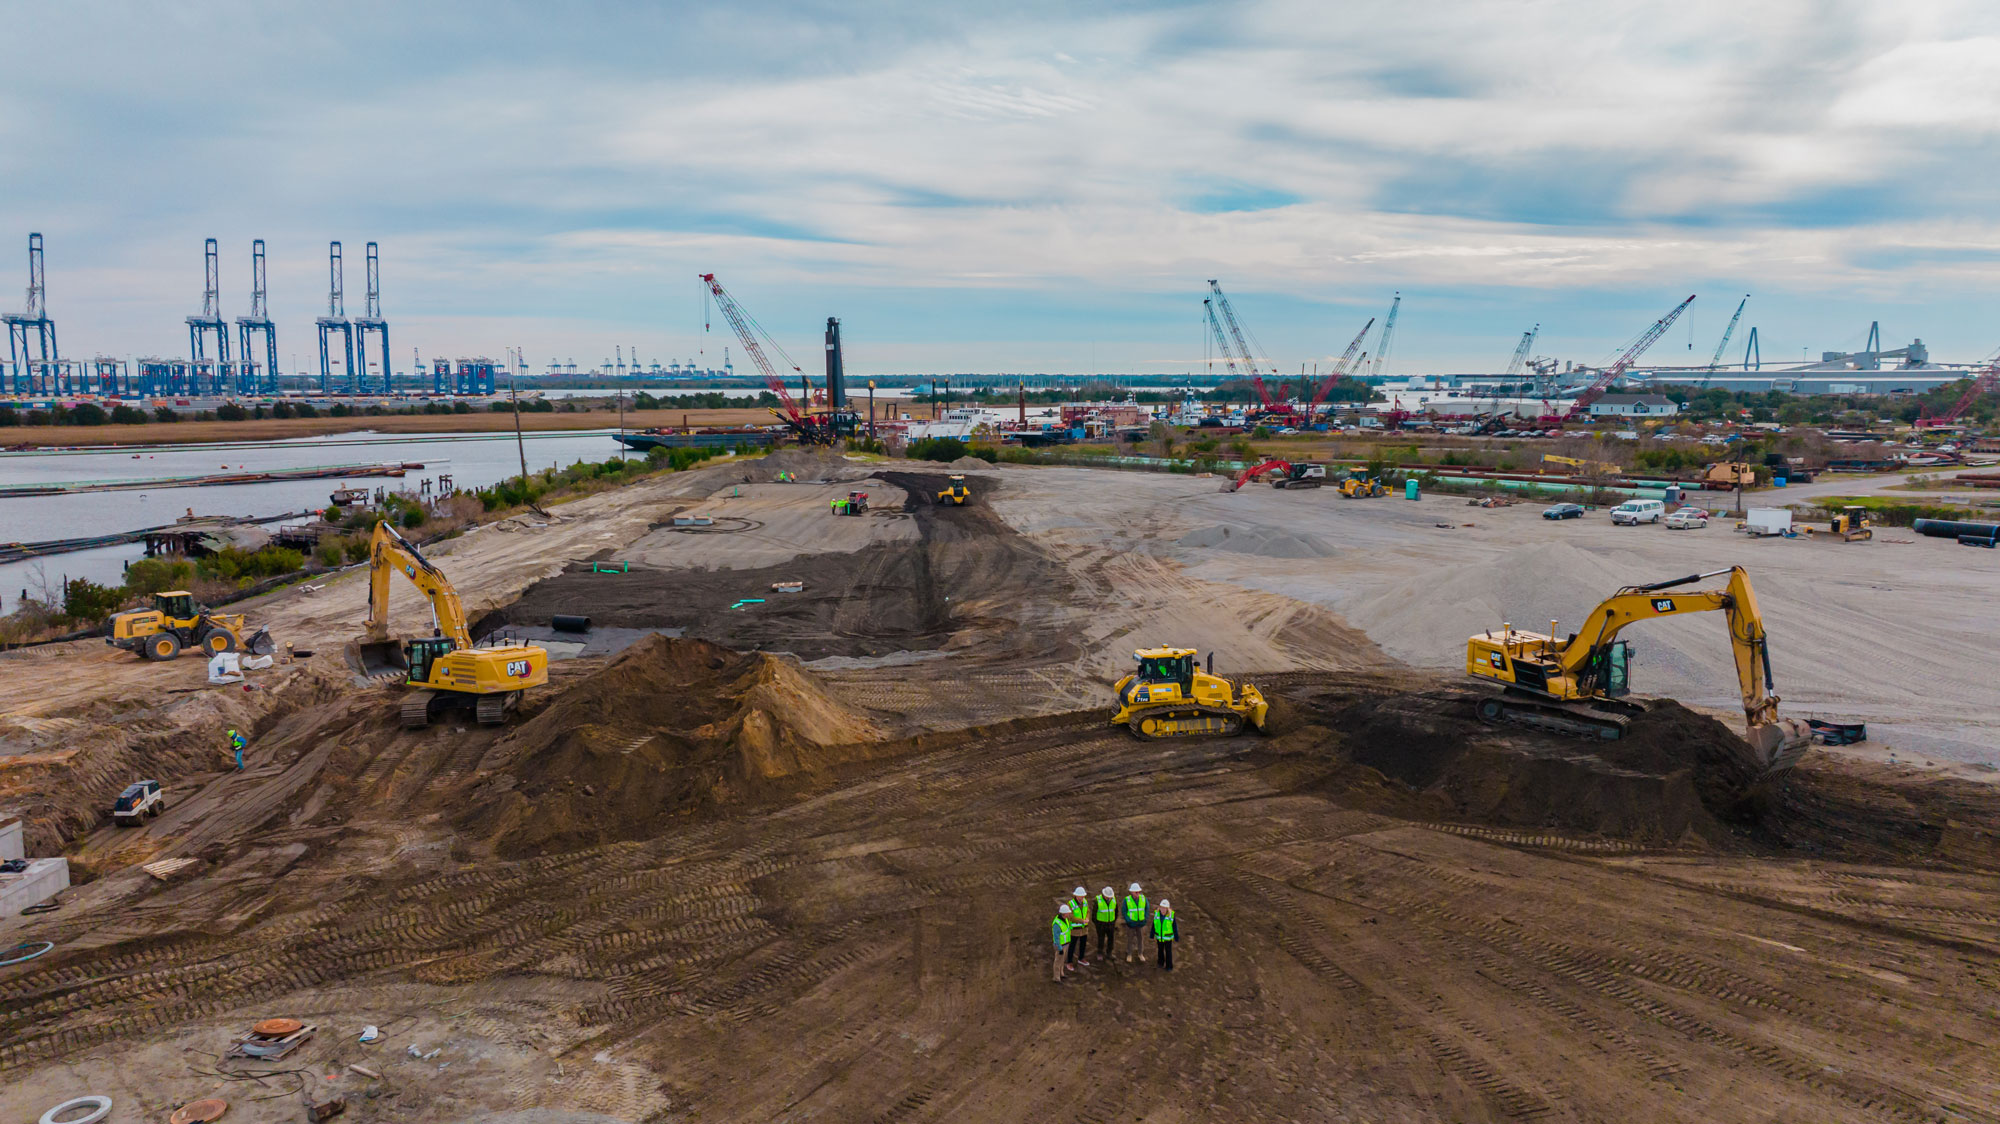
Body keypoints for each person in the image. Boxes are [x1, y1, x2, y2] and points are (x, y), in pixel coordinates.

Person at [1122, 882, 1148, 962]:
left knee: (1140, 939)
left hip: (1140, 924)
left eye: (1139, 892)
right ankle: (1129, 954)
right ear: (1132, 892)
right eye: (1136, 892)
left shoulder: (1144, 899)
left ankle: (1140, 953)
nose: (1138, 893)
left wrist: (1145, 919)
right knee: (1130, 939)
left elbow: (1146, 909)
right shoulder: (1127, 900)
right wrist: (1128, 921)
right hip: (1131, 924)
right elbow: (1124, 911)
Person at [1092, 886, 1117, 964]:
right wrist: (1097, 924)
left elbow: (1116, 911)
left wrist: (1113, 921)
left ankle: (1109, 953)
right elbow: (1094, 914)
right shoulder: (1097, 901)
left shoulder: (1113, 900)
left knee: (1111, 939)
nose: (1109, 898)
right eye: (1107, 896)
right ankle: (1100, 953)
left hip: (1110, 923)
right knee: (1101, 939)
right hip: (1101, 924)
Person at [1153, 899, 1177, 971]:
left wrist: (1176, 936)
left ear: (1167, 908)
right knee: (1160, 950)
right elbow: (1154, 925)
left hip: (1168, 938)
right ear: (1159, 907)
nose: (1163, 910)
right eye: (1162, 908)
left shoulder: (1171, 916)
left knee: (1168, 952)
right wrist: (1152, 934)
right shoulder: (1156, 914)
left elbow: (1174, 926)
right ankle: (1160, 962)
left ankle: (1169, 966)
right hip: (1159, 937)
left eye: (1164, 908)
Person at [1069, 886, 1091, 965]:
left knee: (1083, 944)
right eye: (1080, 896)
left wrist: (1087, 918)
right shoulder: (1071, 904)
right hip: (1075, 929)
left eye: (1083, 896)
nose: (1081, 898)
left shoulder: (1085, 902)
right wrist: (1081, 921)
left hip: (1084, 928)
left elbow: (1088, 911)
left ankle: (1081, 958)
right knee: (1072, 946)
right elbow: (1070, 916)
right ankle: (1069, 962)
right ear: (1076, 895)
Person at [1052, 902, 1074, 983]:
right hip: (1060, 945)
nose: (1069, 914)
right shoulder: (1057, 924)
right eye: (1068, 913)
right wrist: (1060, 948)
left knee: (1062, 960)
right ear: (1064, 914)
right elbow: (1056, 937)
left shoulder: (1065, 920)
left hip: (1066, 944)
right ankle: (1056, 978)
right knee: (1058, 961)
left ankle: (1061, 974)